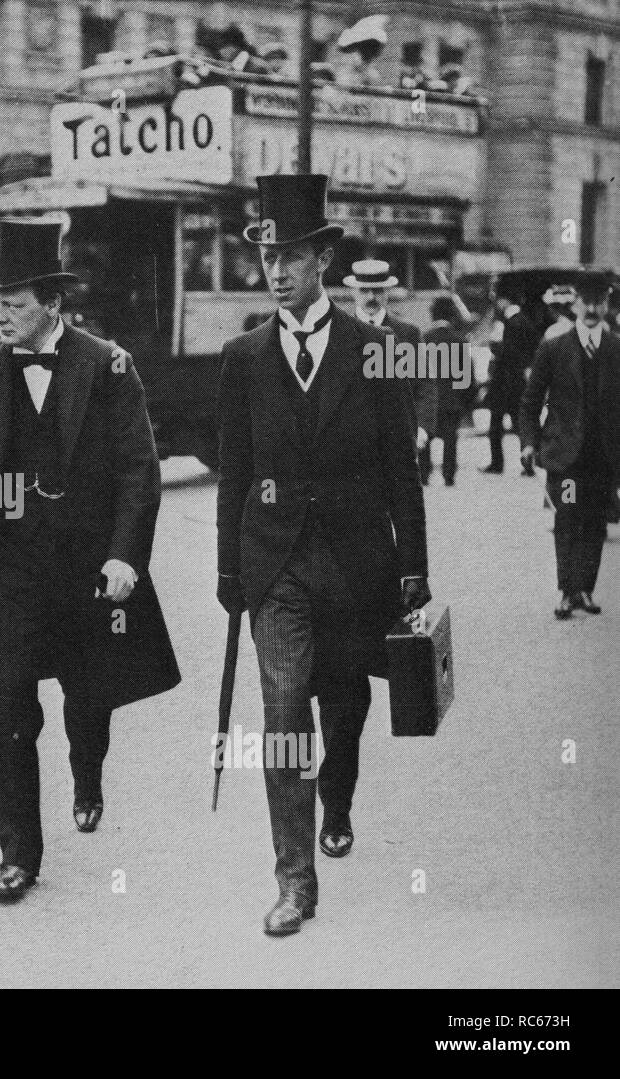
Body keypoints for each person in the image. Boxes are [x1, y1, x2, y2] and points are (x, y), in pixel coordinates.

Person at [0, 219, 179, 903]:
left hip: (86, 568)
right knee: (8, 706)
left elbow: (138, 471)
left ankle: (87, 770)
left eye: (12, 300)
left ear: (52, 302)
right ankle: (19, 853)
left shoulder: (105, 365)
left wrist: (127, 555)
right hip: (9, 570)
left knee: (86, 695)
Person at [216, 175, 429, 936]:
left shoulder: (375, 350)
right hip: (277, 567)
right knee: (282, 714)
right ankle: (293, 880)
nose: (278, 270)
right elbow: (232, 472)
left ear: (322, 262)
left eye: (293, 256)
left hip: (357, 562)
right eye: (270, 256)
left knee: (345, 702)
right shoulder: (243, 355)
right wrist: (228, 569)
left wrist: (414, 570)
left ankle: (336, 797)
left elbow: (402, 468)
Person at [519, 272, 620, 619]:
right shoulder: (554, 347)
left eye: (599, 302)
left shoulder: (616, 349)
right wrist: (529, 443)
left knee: (594, 522)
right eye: (586, 301)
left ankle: (586, 591)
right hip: (566, 459)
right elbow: (530, 402)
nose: (592, 308)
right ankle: (567, 591)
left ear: (606, 305)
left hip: (602, 459)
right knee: (567, 518)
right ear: (575, 303)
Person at [344, 259, 432, 482]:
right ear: (354, 292)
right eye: (365, 291)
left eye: (378, 290)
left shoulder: (407, 333)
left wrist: (422, 427)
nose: (371, 297)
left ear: (387, 293)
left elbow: (423, 384)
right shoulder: (338, 332)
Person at [484, 278, 541, 475]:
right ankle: (528, 462)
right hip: (518, 382)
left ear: (504, 300)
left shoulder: (509, 324)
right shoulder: (526, 322)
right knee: (520, 425)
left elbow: (506, 353)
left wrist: (496, 348)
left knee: (496, 425)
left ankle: (496, 463)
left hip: (503, 382)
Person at [420, 296, 472, 486]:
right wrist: (464, 401)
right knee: (450, 439)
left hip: (428, 400)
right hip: (452, 401)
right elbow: (467, 378)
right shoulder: (459, 341)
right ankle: (448, 475)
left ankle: (423, 474)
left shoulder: (423, 339)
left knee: (425, 437)